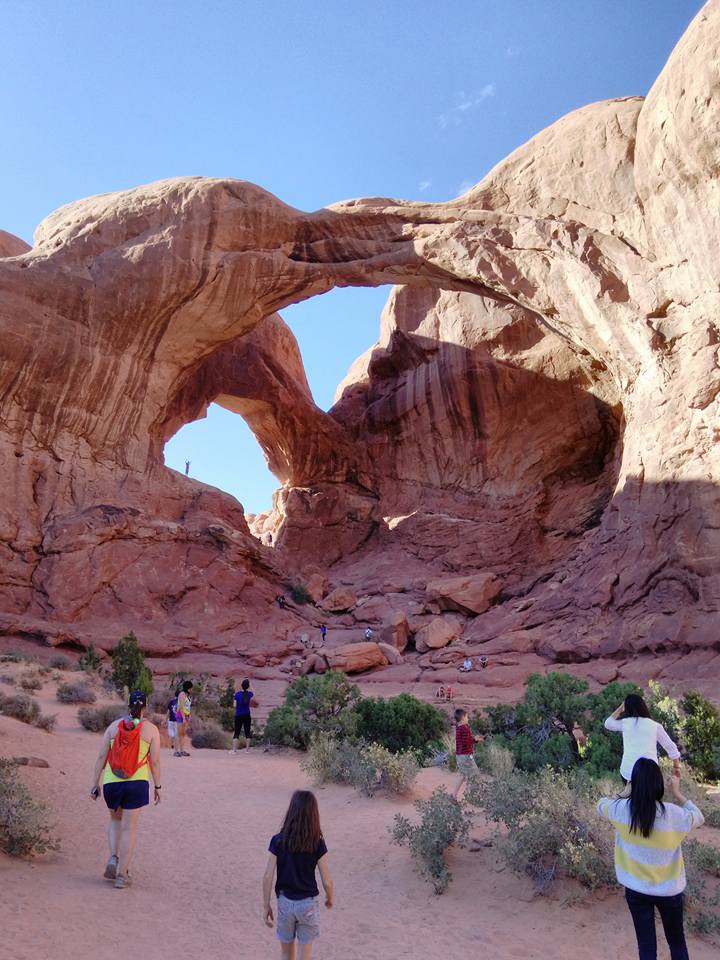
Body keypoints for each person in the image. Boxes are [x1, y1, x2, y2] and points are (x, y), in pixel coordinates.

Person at [597, 759, 704, 960]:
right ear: (659, 784)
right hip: (670, 891)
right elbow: (698, 816)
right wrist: (678, 793)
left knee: (646, 947)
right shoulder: (674, 814)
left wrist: (623, 793)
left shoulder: (621, 810)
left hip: (636, 891)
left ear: (633, 784)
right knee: (677, 943)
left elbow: (601, 804)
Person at [89, 690, 161, 889]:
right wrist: (157, 785)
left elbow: (101, 757)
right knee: (130, 828)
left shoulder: (113, 727)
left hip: (112, 782)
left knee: (115, 820)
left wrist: (95, 783)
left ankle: (113, 857)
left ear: (128, 705)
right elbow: (154, 761)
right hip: (136, 783)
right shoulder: (151, 730)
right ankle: (122, 875)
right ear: (145, 707)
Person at [263, 790, 334, 959]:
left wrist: (266, 906)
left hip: (285, 903)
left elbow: (267, 876)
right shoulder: (317, 842)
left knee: (286, 955)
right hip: (307, 905)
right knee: (305, 956)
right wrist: (329, 898)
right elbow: (327, 881)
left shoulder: (278, 840)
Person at [605, 694, 681, 783]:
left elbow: (608, 723)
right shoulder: (655, 726)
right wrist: (676, 767)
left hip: (628, 772)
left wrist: (621, 707)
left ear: (627, 707)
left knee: (631, 796)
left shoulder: (625, 723)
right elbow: (671, 747)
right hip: (650, 772)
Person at [454, 707, 482, 798]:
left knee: (463, 776)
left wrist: (474, 739)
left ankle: (454, 796)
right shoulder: (465, 728)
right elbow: (468, 741)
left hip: (459, 756)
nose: (468, 719)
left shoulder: (458, 728)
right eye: (467, 717)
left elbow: (466, 740)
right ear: (463, 718)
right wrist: (476, 739)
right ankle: (475, 797)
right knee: (476, 775)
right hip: (466, 756)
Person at [232, 677, 257, 753]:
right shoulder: (249, 694)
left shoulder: (237, 694)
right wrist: (251, 685)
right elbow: (254, 693)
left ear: (241, 686)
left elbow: (234, 706)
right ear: (247, 686)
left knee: (237, 732)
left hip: (238, 715)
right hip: (247, 714)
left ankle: (234, 751)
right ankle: (247, 750)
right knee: (247, 732)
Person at [175, 680, 194, 757]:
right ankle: (176, 751)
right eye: (191, 688)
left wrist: (188, 716)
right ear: (187, 688)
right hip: (180, 715)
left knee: (182, 734)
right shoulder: (182, 695)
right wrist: (183, 717)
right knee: (178, 733)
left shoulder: (187, 696)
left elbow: (188, 707)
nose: (191, 689)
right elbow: (181, 707)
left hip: (186, 715)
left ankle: (182, 750)